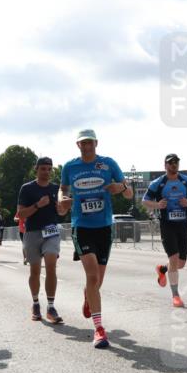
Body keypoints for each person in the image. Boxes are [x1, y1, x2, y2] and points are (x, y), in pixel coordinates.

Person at [59, 129, 134, 348]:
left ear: (96, 143)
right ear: (78, 146)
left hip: (104, 227)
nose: (87, 146)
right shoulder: (70, 166)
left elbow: (128, 193)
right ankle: (99, 329)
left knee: (97, 282)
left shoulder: (108, 164)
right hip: (81, 226)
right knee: (92, 277)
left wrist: (120, 187)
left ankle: (88, 296)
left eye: (90, 142)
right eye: (83, 143)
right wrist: (62, 198)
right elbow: (62, 189)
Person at [142, 153, 187, 307]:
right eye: (170, 162)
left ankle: (162, 269)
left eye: (176, 162)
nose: (174, 165)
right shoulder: (158, 183)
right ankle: (175, 295)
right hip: (167, 225)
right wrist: (158, 205)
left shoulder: (185, 180)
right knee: (174, 258)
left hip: (182, 224)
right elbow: (145, 201)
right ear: (165, 165)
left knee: (180, 263)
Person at [17, 156, 64, 324]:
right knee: (35, 271)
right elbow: (21, 215)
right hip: (32, 233)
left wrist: (62, 208)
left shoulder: (56, 188)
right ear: (36, 169)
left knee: (51, 266)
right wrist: (38, 205)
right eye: (43, 168)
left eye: (49, 169)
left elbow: (62, 212)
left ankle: (51, 307)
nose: (47, 172)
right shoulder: (27, 188)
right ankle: (36, 303)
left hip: (51, 232)